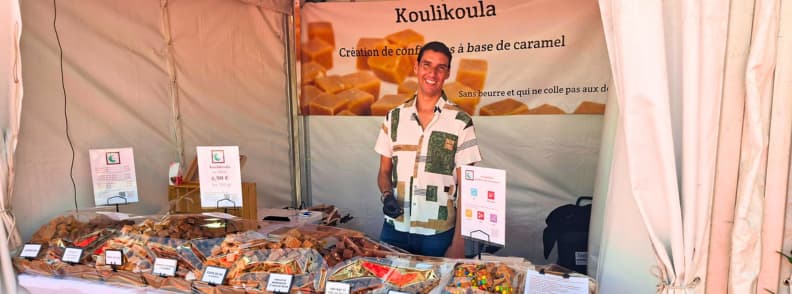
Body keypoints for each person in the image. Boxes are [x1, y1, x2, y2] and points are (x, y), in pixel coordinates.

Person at [374, 41, 482, 257]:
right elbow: (384, 172)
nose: (432, 73)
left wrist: (459, 242)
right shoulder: (393, 117)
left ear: (448, 73)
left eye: (440, 67)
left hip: (438, 234)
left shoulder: (460, 121)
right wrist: (387, 195)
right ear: (416, 68)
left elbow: (469, 188)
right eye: (427, 65)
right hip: (395, 229)